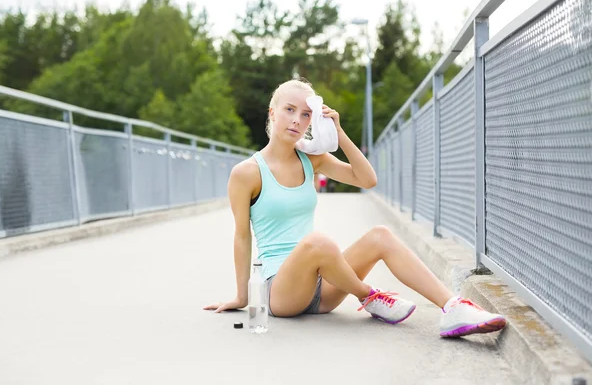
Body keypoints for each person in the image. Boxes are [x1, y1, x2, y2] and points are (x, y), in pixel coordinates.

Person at [203, 78, 506, 337]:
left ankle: (453, 307)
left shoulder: (313, 160)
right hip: (281, 292)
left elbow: (367, 179)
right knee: (316, 241)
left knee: (380, 236)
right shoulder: (247, 173)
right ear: (272, 113)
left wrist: (339, 133)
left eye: (306, 115)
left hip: (325, 288)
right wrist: (243, 296)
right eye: (290, 110)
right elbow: (242, 236)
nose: (297, 120)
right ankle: (369, 296)